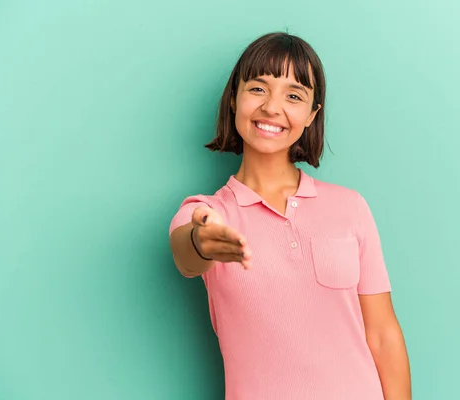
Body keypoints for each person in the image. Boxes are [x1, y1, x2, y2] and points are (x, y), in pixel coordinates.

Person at [169, 32, 411, 400]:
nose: (272, 107)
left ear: (312, 114)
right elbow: (185, 251)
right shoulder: (210, 213)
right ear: (234, 99)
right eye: (258, 89)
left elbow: (383, 334)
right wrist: (202, 243)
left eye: (294, 96)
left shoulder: (350, 208)